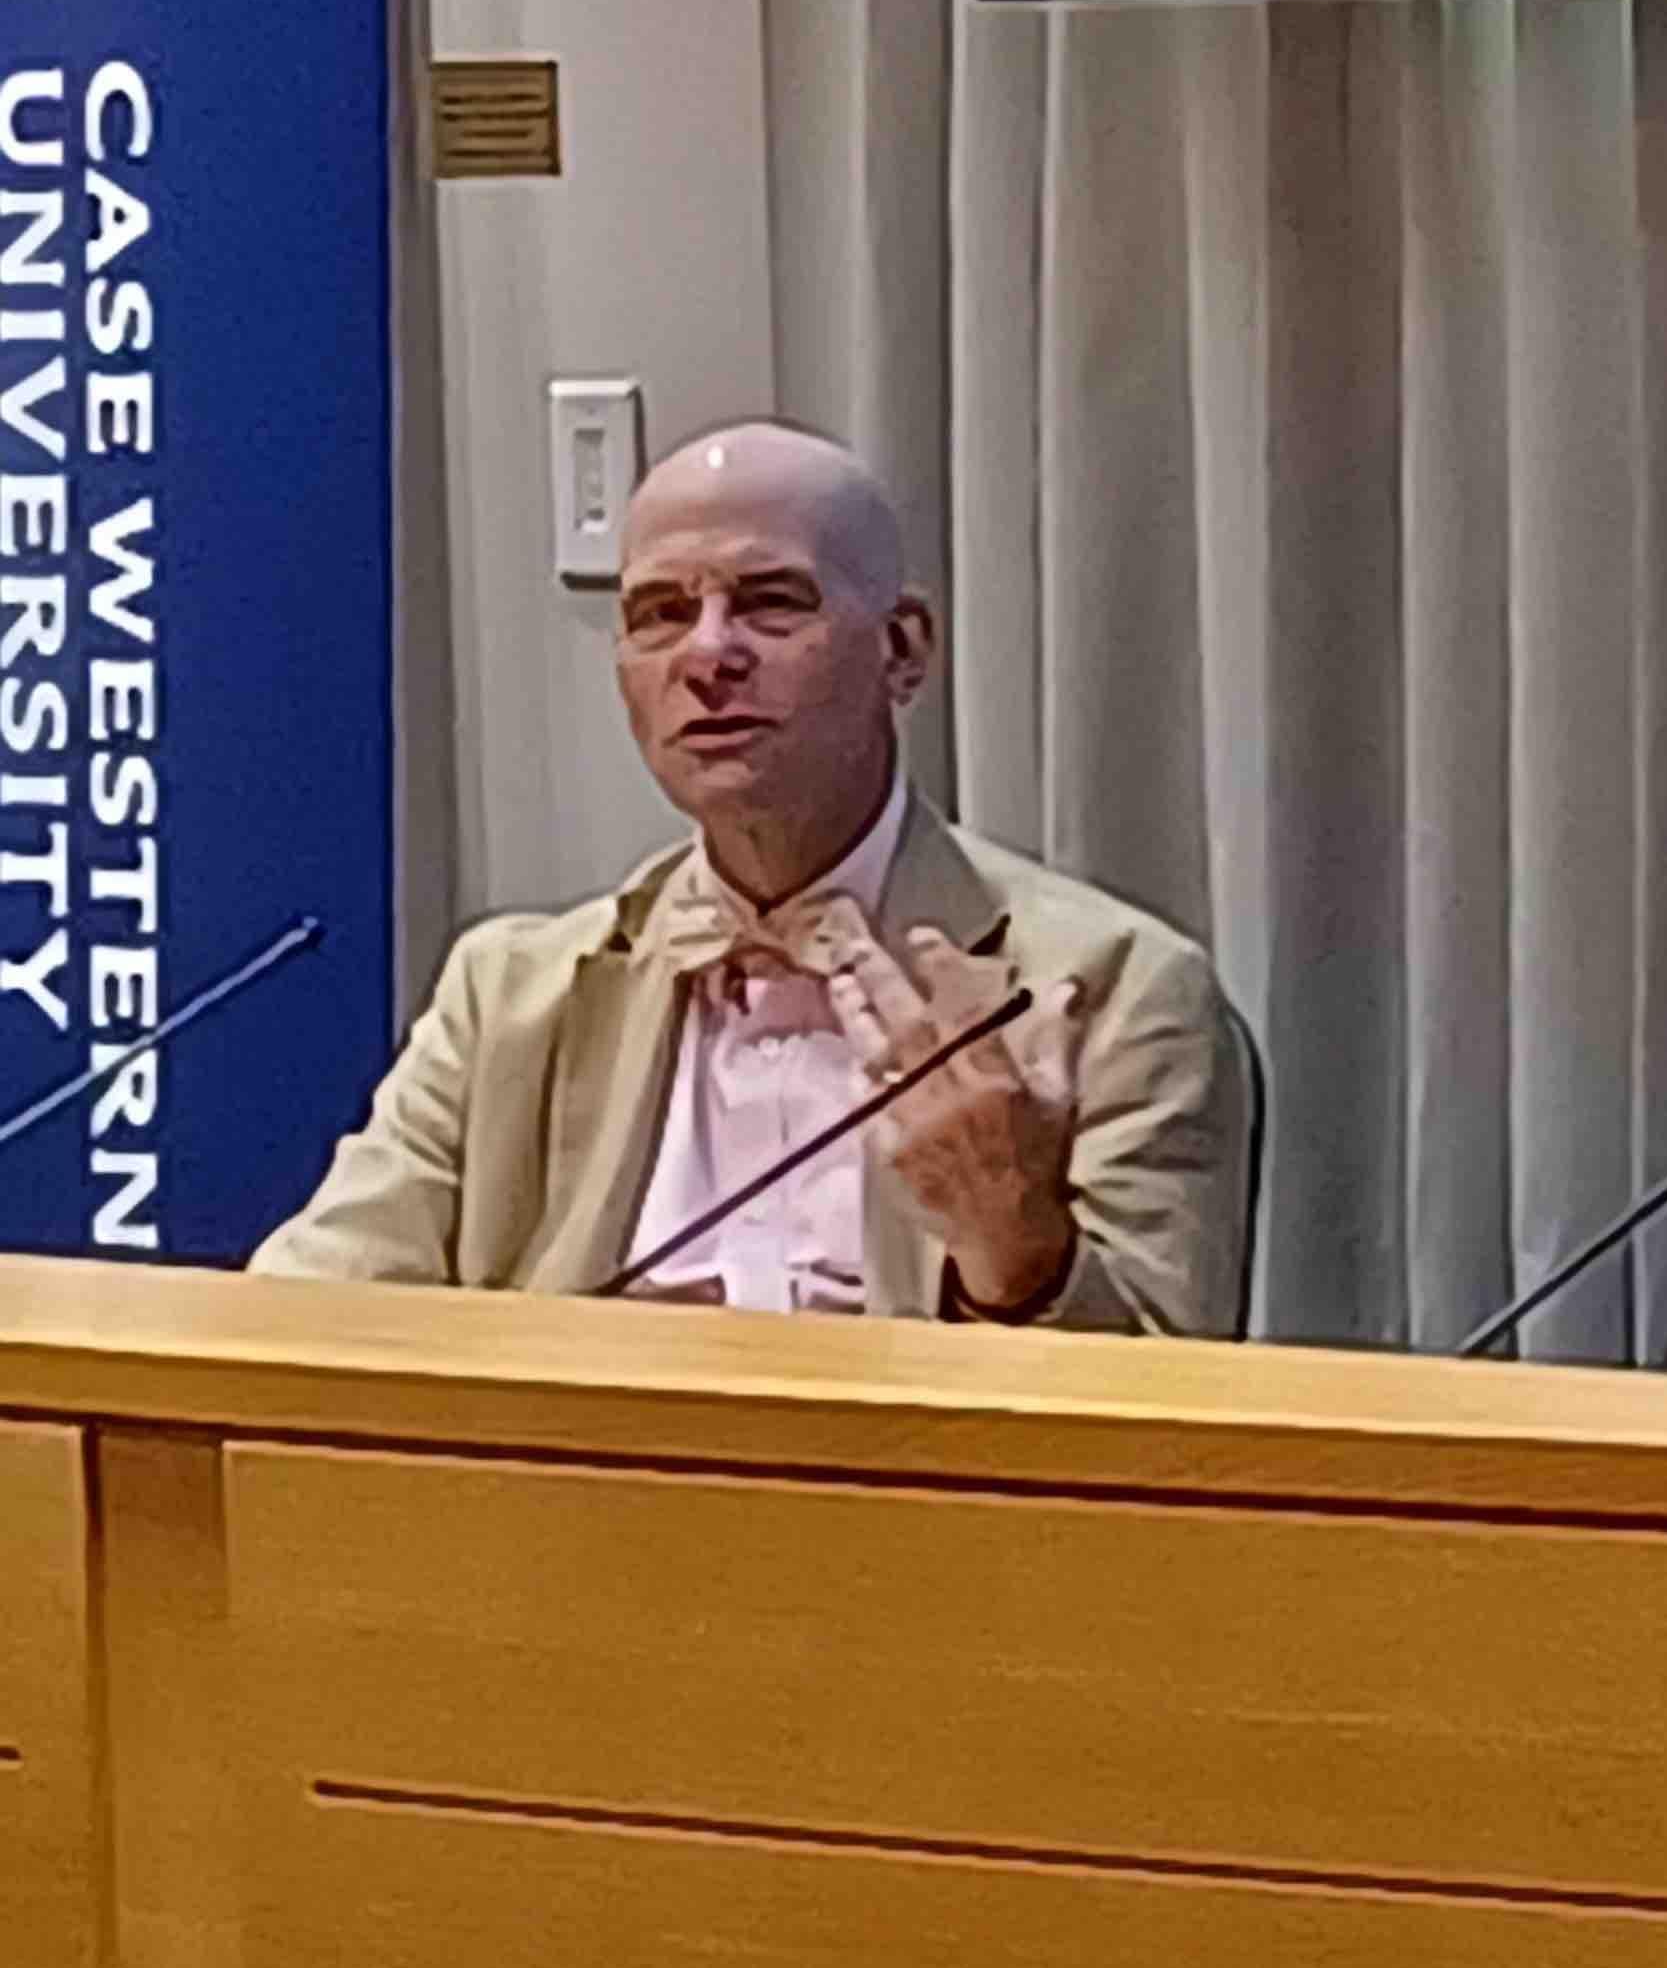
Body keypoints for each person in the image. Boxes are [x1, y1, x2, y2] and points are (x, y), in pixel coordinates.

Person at [254, 423, 1249, 1332]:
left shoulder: (1115, 993)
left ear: (903, 653)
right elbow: (307, 1319)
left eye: (771, 602)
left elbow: (1169, 1439)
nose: (708, 654)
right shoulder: (510, 995)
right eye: (659, 613)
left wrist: (1021, 1253)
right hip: (569, 1514)